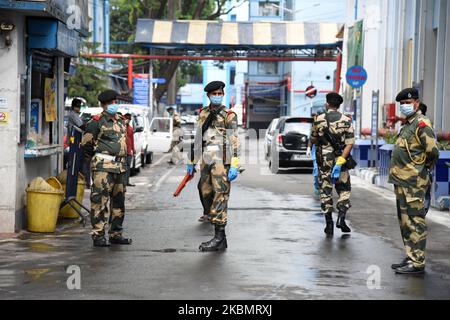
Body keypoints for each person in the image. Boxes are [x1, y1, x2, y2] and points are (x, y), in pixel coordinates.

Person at [389, 88, 439, 274]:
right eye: (402, 104)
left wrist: (421, 169)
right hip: (402, 181)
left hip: (413, 182)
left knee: (415, 221)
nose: (404, 106)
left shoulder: (421, 124)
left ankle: (417, 262)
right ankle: (411, 255)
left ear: (416, 103)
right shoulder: (408, 124)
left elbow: (433, 151)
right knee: (405, 221)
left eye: (407, 103)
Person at [187, 81, 241, 251]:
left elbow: (234, 140)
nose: (217, 96)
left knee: (220, 195)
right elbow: (197, 137)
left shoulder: (229, 115)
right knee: (205, 191)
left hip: (221, 157)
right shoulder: (203, 113)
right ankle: (217, 229)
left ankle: (219, 236)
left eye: (220, 93)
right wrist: (191, 160)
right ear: (208, 95)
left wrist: (234, 164)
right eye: (214, 94)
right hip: (205, 158)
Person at [82, 90, 132, 247]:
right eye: (110, 103)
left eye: (115, 102)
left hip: (120, 167)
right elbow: (86, 145)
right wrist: (96, 160)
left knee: (119, 202)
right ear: (103, 105)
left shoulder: (121, 121)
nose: (113, 105)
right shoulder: (96, 122)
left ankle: (116, 233)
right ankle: (98, 234)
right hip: (103, 167)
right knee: (100, 201)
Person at [310, 93, 355, 236]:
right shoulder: (346, 120)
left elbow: (313, 139)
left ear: (327, 104)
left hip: (324, 160)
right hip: (340, 159)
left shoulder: (318, 119)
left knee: (326, 190)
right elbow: (350, 143)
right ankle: (341, 217)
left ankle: (329, 224)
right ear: (339, 105)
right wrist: (341, 159)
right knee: (344, 189)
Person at [65, 98, 84, 169]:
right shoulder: (73, 114)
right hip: (73, 139)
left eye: (80, 106)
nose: (79, 108)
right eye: (78, 106)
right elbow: (81, 125)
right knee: (73, 157)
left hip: (76, 139)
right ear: (73, 106)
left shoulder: (76, 114)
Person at [124, 113, 136, 187]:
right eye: (127, 119)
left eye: (129, 119)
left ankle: (127, 181)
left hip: (128, 151)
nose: (128, 120)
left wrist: (133, 149)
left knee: (128, 167)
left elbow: (132, 139)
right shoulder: (121, 127)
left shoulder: (130, 128)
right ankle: (122, 182)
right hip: (122, 151)